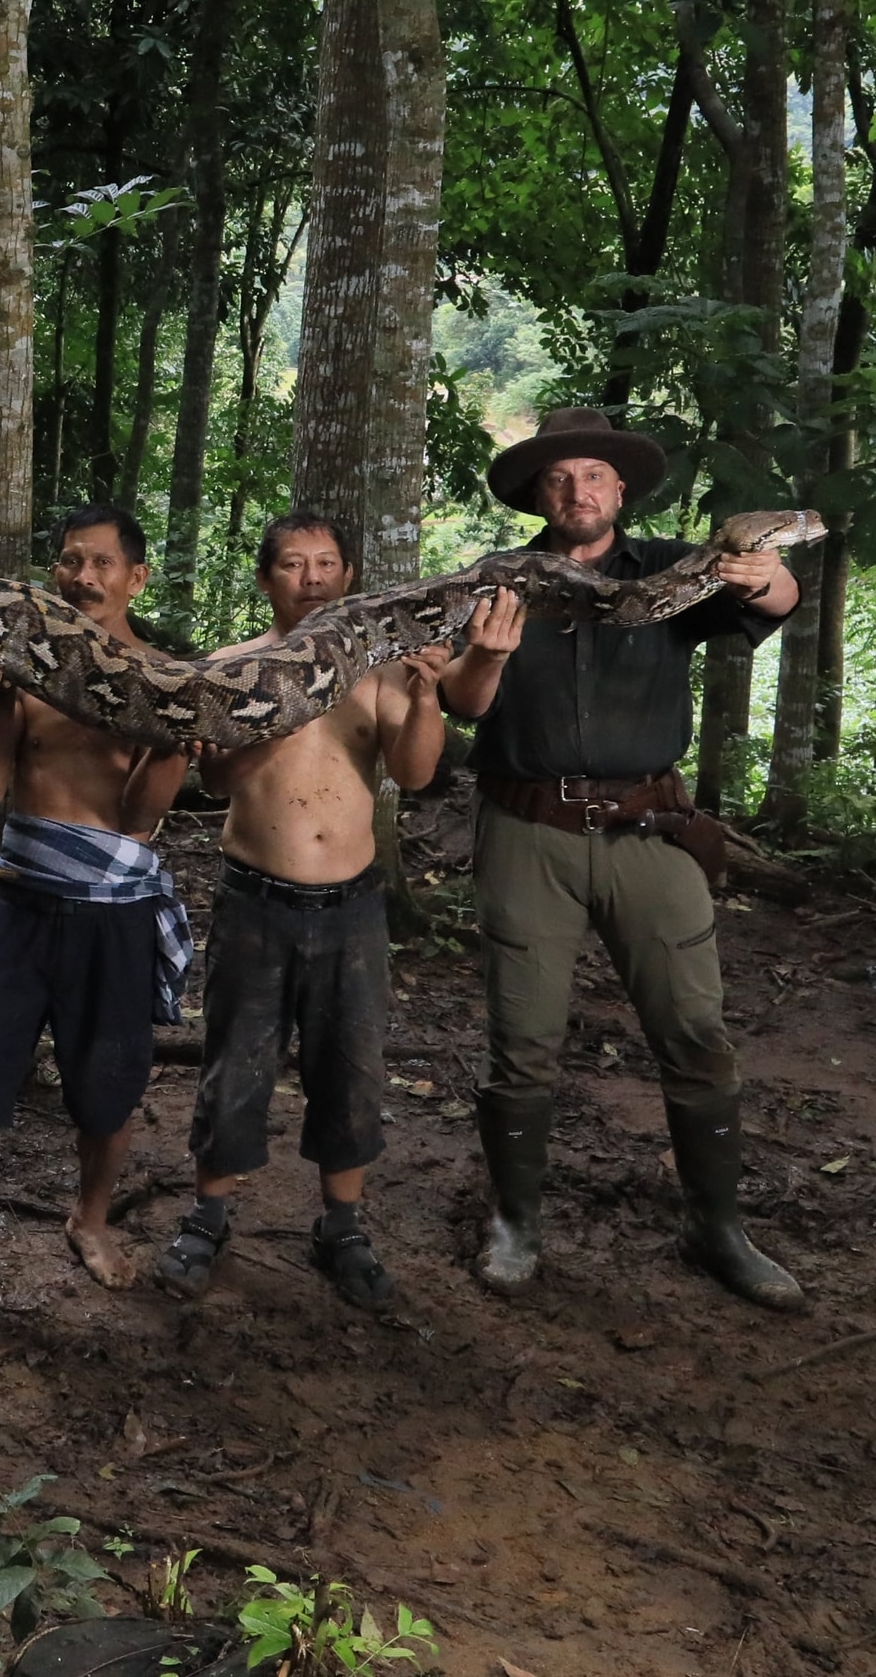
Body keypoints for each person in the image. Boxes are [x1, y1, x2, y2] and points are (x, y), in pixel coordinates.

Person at [437, 406, 806, 1308]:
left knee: (695, 1030)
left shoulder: (676, 569)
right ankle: (515, 1224)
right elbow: (464, 705)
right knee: (522, 1041)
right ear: (539, 495)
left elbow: (777, 604)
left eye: (594, 475)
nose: (578, 490)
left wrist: (766, 572)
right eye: (559, 478)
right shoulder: (496, 578)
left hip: (651, 829)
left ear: (621, 489)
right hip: (528, 831)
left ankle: (717, 1228)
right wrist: (486, 656)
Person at [153, 513, 525, 1310]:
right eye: (293, 564)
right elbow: (217, 782)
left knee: (352, 1068)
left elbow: (415, 775)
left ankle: (344, 1227)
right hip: (255, 899)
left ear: (349, 577)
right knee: (236, 1063)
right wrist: (284, 703)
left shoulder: (381, 668)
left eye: (326, 563)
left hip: (352, 907)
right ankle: (208, 1218)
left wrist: (424, 693)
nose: (312, 578)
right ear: (267, 579)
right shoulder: (233, 665)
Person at [0, 506, 190, 1318]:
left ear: (136, 578)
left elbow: (137, 817)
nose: (83, 577)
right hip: (20, 906)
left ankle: (90, 1219)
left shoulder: (165, 679)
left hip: (114, 915)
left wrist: (170, 743)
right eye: (70, 561)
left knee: (110, 1091)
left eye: (102, 563)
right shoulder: (25, 667)